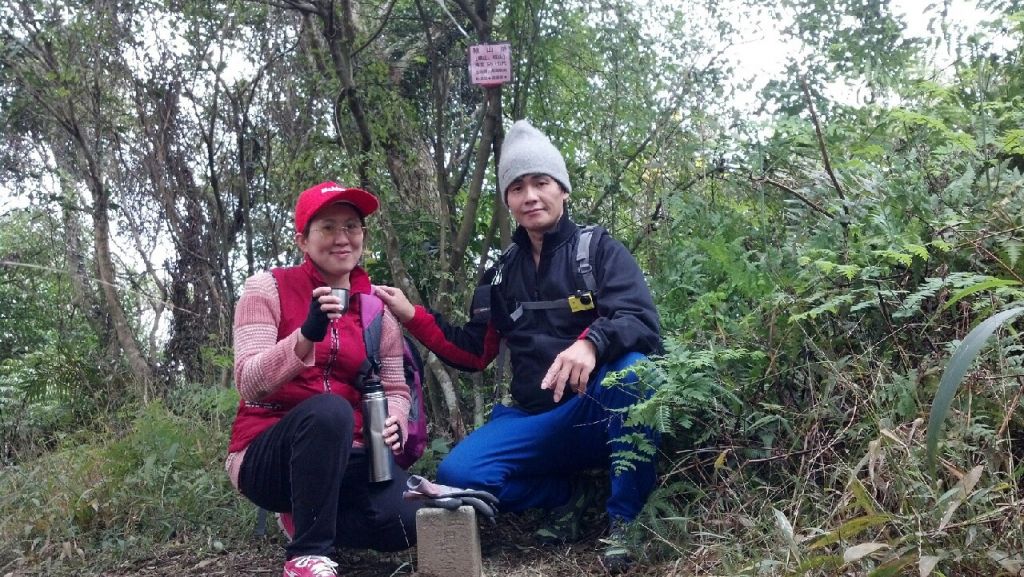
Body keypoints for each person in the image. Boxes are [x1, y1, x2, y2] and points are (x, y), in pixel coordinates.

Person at [375, 119, 662, 573]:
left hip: (598, 410)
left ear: (562, 189)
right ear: (508, 200)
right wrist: (413, 316)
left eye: (541, 182)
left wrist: (591, 343)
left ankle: (627, 520)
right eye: (517, 187)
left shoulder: (597, 250)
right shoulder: (501, 275)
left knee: (637, 372)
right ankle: (569, 497)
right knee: (459, 475)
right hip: (536, 420)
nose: (530, 196)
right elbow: (475, 352)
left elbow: (641, 320)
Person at [225, 182, 420, 577]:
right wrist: (304, 337)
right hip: (268, 452)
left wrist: (396, 417)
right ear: (303, 240)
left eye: (351, 227)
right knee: (330, 412)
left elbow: (396, 387)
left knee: (407, 519)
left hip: (350, 455)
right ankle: (306, 555)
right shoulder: (268, 289)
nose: (342, 239)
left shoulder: (375, 309)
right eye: (328, 228)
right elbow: (248, 381)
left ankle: (309, 518)